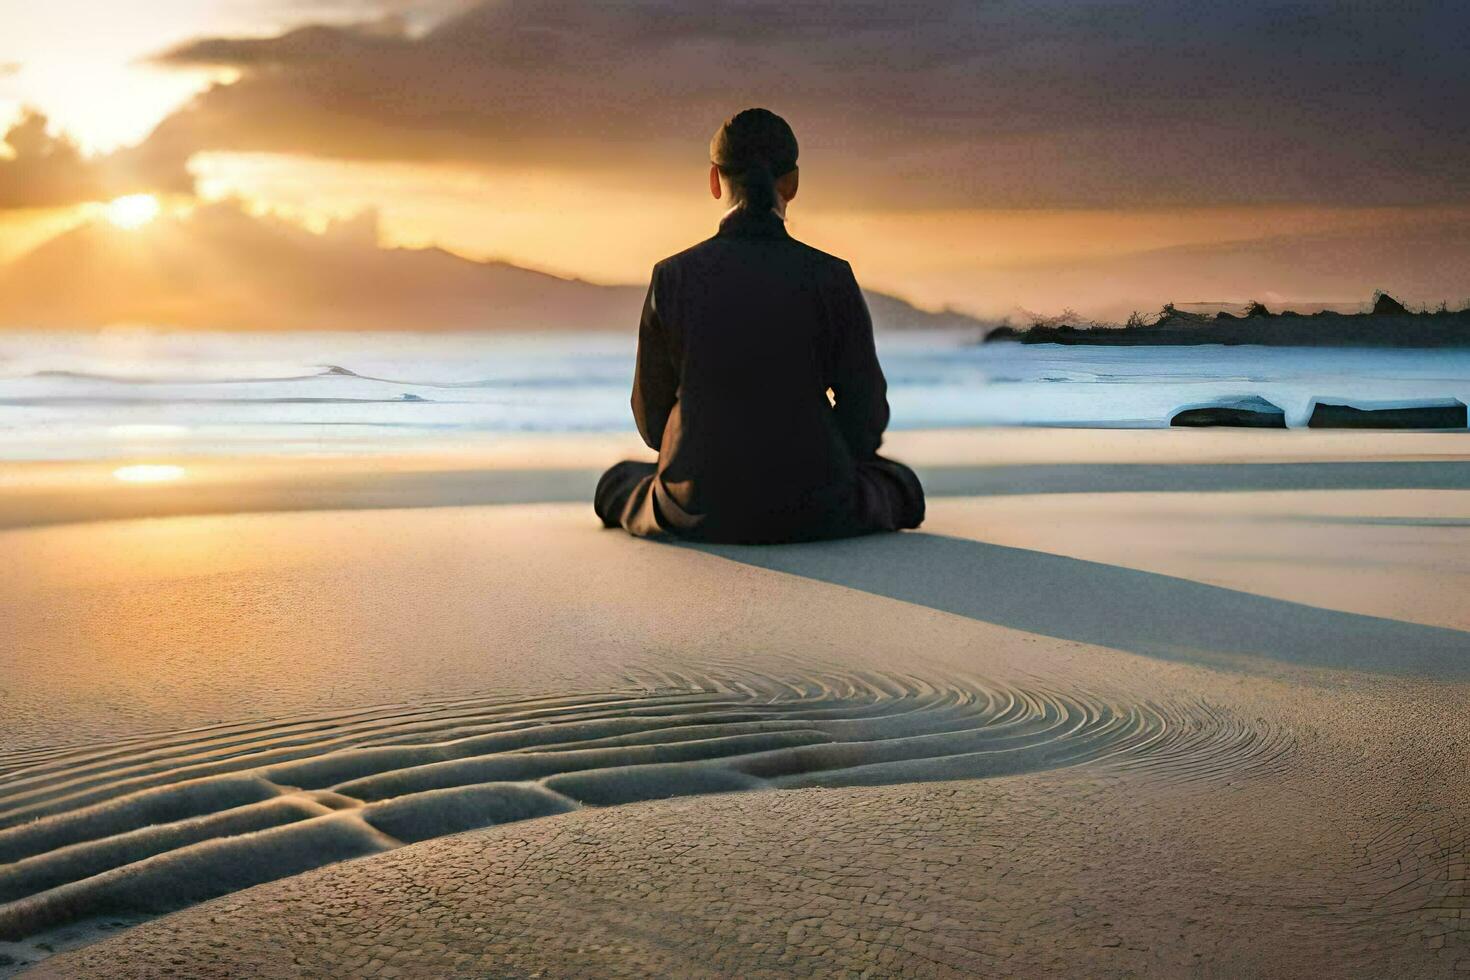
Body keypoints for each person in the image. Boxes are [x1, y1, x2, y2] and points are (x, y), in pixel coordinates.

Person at [594, 108, 925, 544]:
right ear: (792, 182)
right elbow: (866, 416)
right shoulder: (831, 276)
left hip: (701, 505)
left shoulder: (672, 276)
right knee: (901, 483)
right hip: (815, 504)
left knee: (619, 482)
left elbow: (652, 422)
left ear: (715, 181)